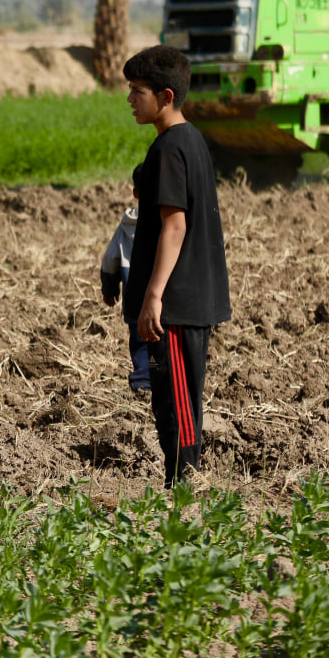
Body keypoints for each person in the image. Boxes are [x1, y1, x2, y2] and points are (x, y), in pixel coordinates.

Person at [122, 45, 231, 488]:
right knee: (171, 399)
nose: (130, 100)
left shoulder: (170, 148)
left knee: (179, 403)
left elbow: (175, 226)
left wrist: (153, 296)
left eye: (137, 92)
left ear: (166, 96)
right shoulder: (188, 140)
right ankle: (178, 484)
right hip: (184, 299)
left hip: (177, 303)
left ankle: (186, 486)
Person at [101, 163, 151, 394]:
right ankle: (162, 378)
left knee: (139, 339)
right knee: (162, 339)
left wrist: (110, 289)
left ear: (135, 193)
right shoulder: (166, 223)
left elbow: (111, 258)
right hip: (161, 294)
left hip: (133, 292)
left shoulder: (126, 226)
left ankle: (142, 381)